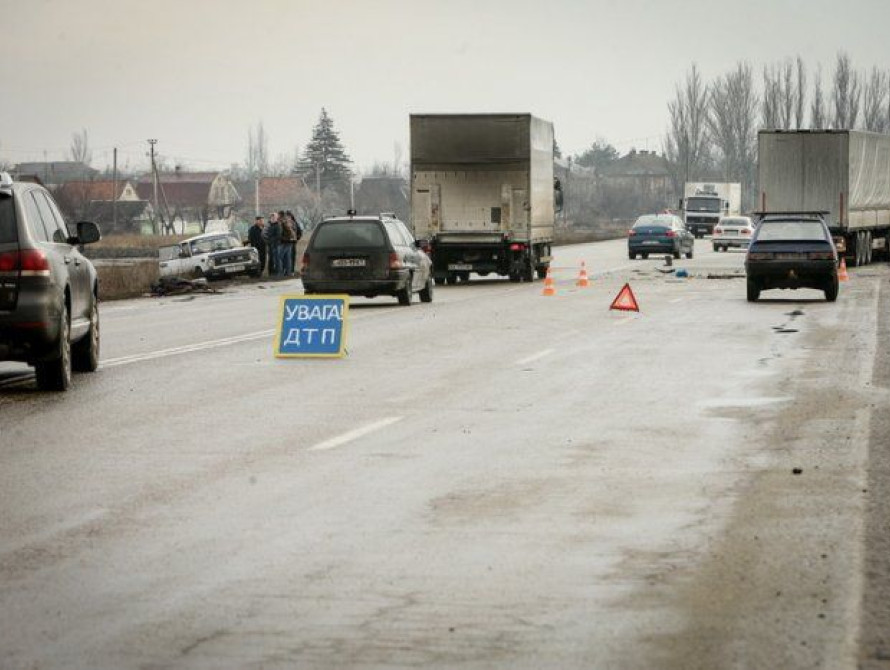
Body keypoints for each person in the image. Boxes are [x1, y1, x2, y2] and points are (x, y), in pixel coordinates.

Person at [279, 209, 296, 277]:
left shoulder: (285, 222)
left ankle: (281, 272)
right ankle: (288, 272)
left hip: (285, 241)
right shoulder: (292, 222)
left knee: (280, 257)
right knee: (288, 258)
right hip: (290, 241)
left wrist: (282, 238)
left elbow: (285, 231)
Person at [264, 211, 282, 277]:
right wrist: (267, 240)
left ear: (276, 218)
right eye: (271, 217)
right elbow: (266, 234)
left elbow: (278, 236)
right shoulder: (269, 225)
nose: (272, 218)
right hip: (270, 245)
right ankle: (271, 272)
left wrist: (271, 240)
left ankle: (278, 273)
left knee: (277, 259)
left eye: (274, 217)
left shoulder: (278, 225)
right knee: (271, 259)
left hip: (276, 245)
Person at [285, 210, 302, 276]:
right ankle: (288, 270)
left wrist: (296, 239)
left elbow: (300, 232)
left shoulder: (295, 223)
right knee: (288, 257)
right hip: (287, 242)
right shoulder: (285, 223)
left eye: (289, 216)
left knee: (291, 257)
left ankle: (291, 270)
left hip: (292, 243)